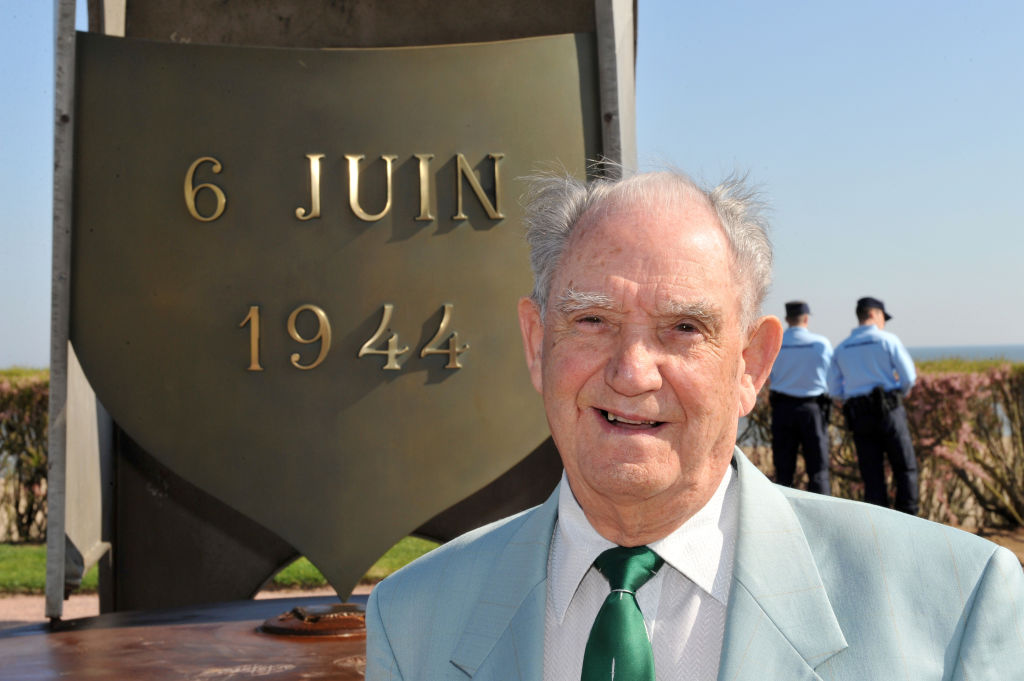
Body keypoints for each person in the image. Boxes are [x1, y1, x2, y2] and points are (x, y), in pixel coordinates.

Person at [366, 171, 1023, 681]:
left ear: (751, 363)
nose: (632, 371)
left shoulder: (956, 605)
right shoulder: (413, 618)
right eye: (591, 320)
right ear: (538, 345)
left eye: (683, 327)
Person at [828, 297, 919, 514]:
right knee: (905, 468)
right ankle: (910, 519)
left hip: (859, 415)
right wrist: (900, 394)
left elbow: (833, 389)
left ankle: (879, 525)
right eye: (883, 318)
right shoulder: (887, 340)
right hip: (889, 410)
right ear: (875, 315)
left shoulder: (842, 348)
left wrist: (848, 400)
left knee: (872, 474)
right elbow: (908, 377)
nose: (884, 323)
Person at [767, 300, 833, 493]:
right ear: (806, 318)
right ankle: (823, 517)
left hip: (783, 409)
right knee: (818, 470)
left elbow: (769, 374)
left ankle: (782, 519)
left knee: (783, 471)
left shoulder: (776, 344)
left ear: (787, 319)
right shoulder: (821, 344)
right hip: (812, 410)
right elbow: (831, 376)